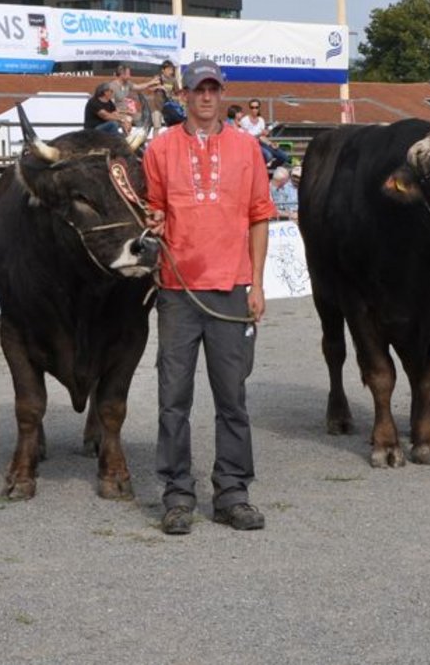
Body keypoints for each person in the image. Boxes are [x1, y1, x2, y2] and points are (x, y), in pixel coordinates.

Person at [143, 59, 276, 535]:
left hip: (231, 289)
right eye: (198, 89)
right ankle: (177, 494)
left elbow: (260, 216)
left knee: (232, 398)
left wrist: (257, 284)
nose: (205, 97)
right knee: (173, 398)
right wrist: (153, 222)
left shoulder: (247, 149)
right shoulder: (159, 149)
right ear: (184, 93)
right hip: (177, 291)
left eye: (213, 89)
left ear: (223, 93)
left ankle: (233, 493)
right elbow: (153, 210)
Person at [237, 98, 289, 169]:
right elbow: (245, 137)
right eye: (252, 107)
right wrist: (259, 135)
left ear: (259, 108)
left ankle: (270, 170)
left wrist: (270, 143)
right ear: (249, 108)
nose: (254, 109)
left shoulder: (261, 120)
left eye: (256, 107)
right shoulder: (245, 120)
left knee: (284, 156)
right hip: (250, 145)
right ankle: (263, 170)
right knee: (268, 155)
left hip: (260, 143)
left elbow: (262, 138)